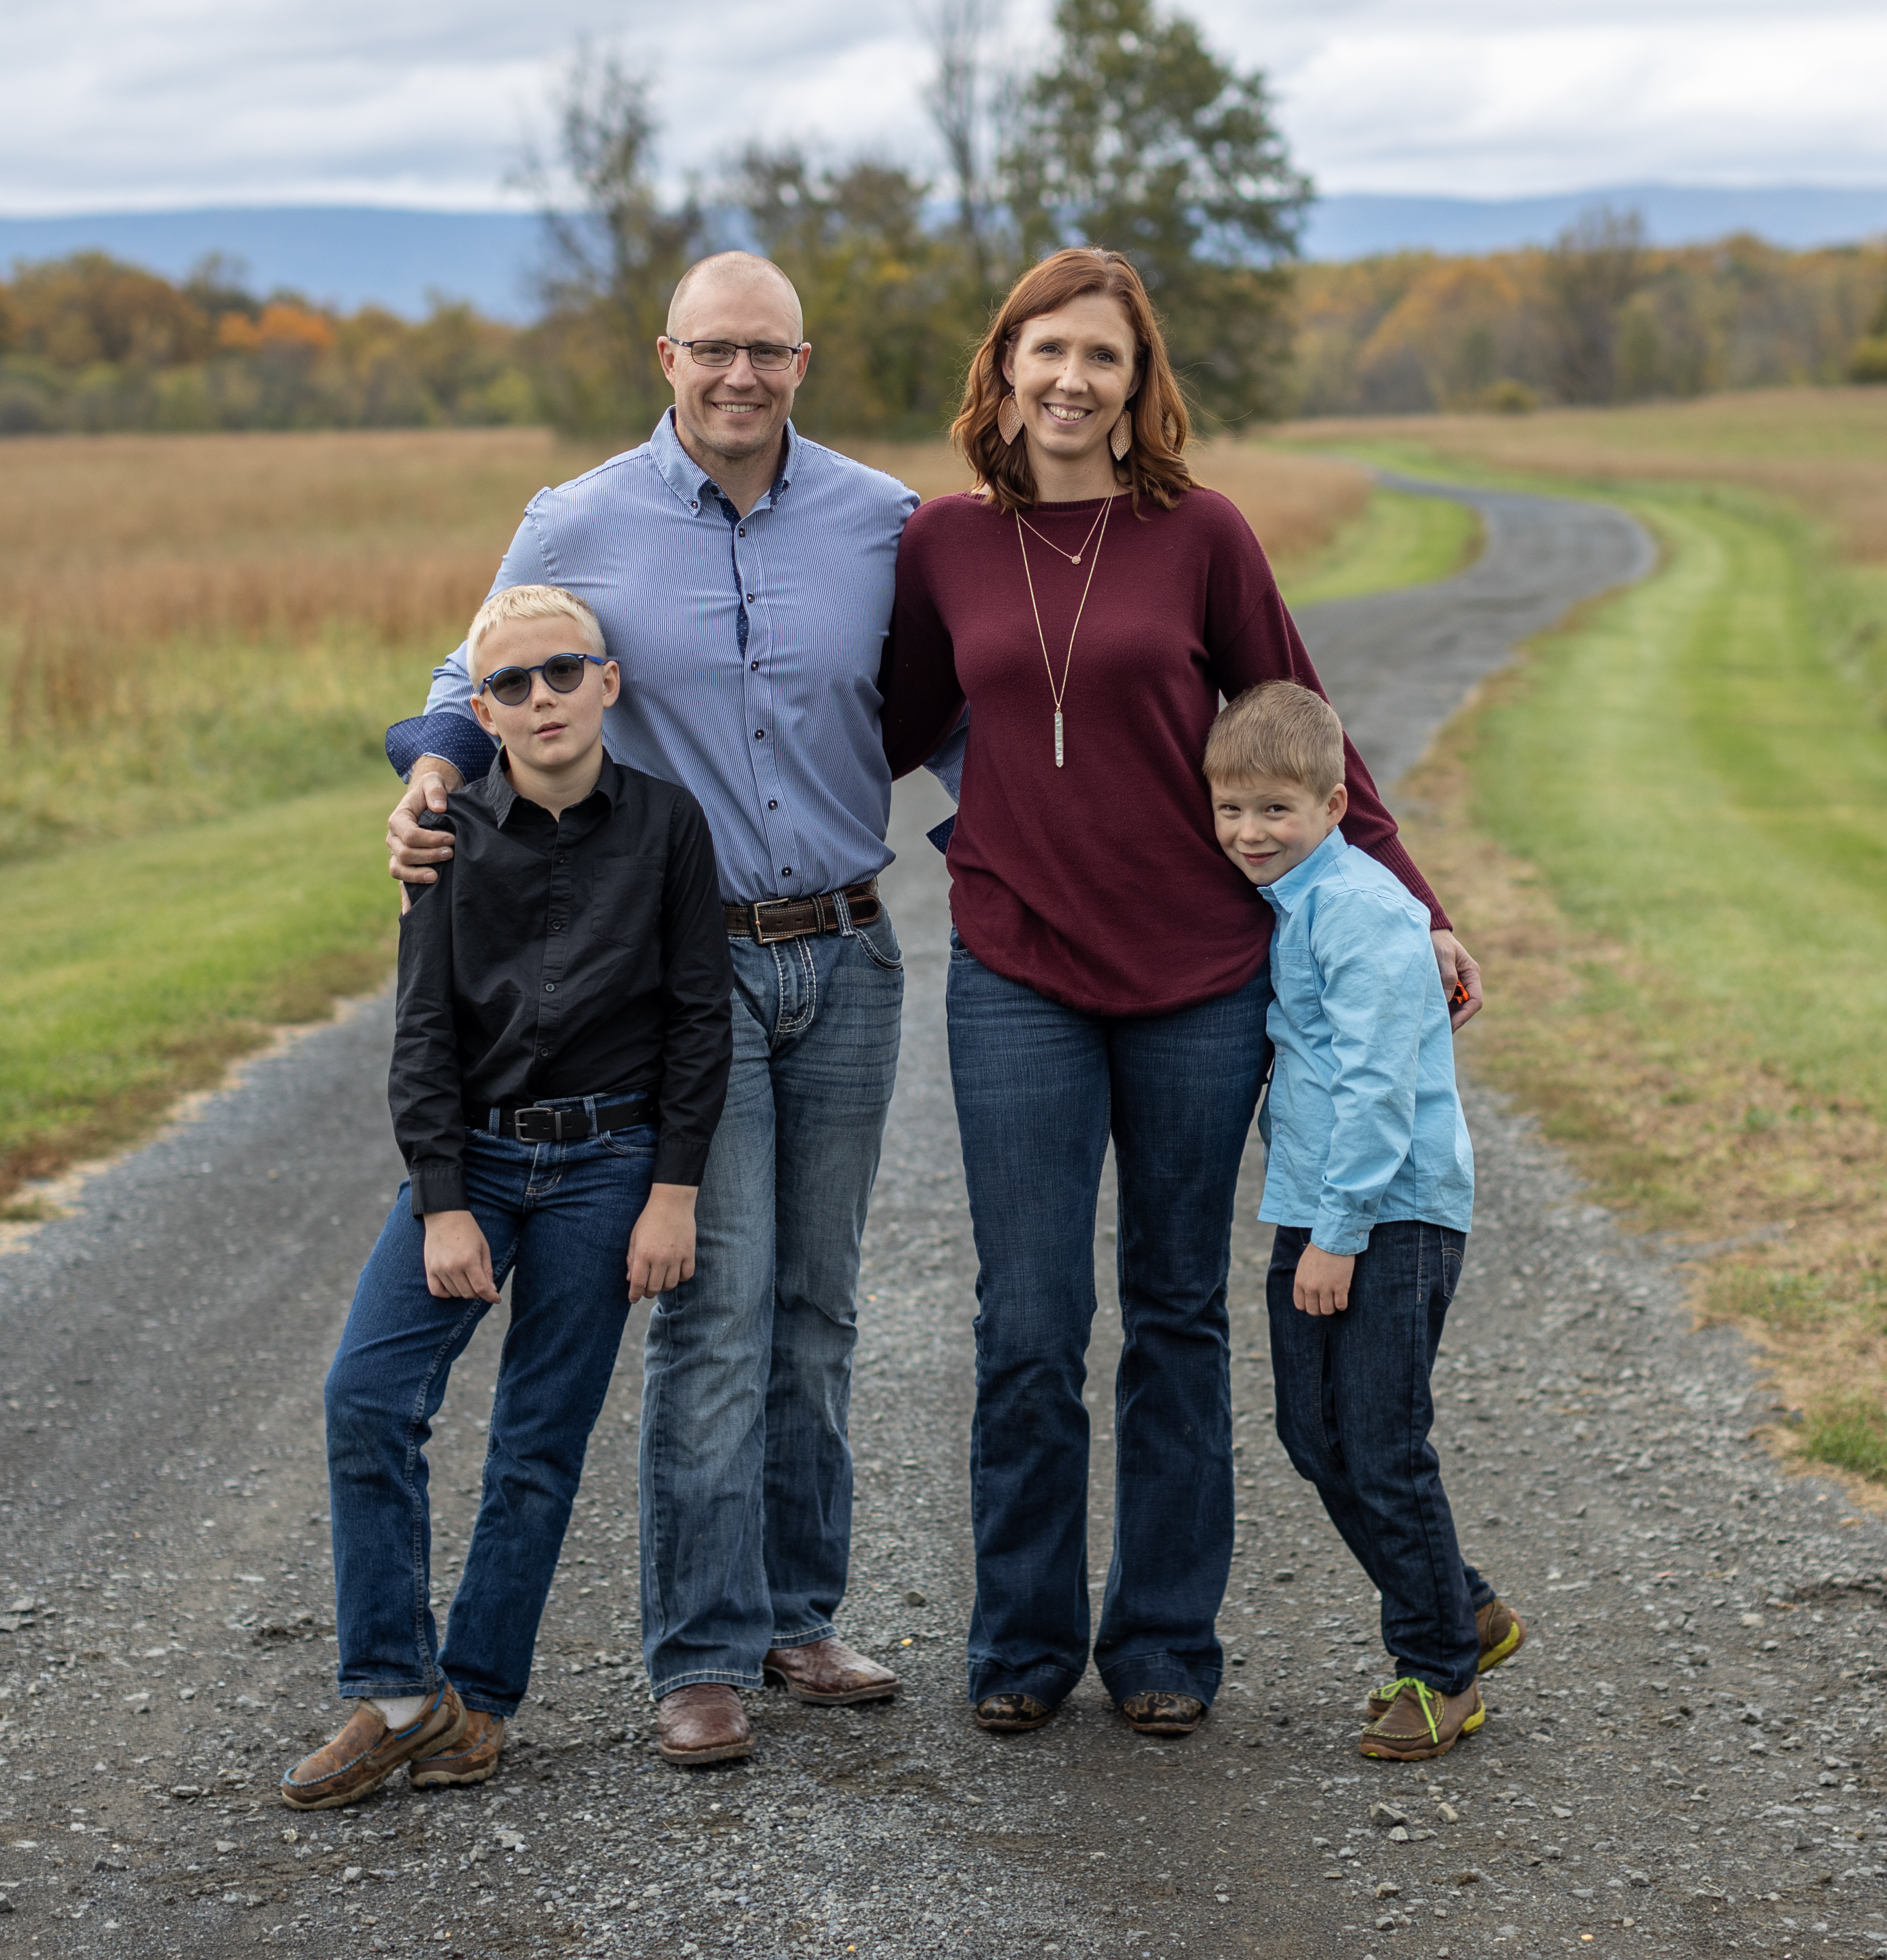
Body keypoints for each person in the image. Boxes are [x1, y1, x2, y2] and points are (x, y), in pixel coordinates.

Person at [878, 246, 1483, 1741]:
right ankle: (1020, 1639)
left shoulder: (1200, 534)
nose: (1074, 381)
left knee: (1173, 1313)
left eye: (1106, 358)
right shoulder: (943, 545)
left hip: (1201, 974)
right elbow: (869, 728)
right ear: (1002, 370)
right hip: (1018, 964)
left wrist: (1417, 906)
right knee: (1026, 1316)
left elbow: (1308, 729)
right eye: (1048, 352)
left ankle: (1161, 1641)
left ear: (1140, 388)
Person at [382, 252, 918, 1766]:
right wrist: (432, 770)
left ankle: (800, 1617)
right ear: (664, 356)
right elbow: (464, 668)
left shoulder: (879, 519)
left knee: (818, 1309)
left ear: (802, 362)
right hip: (691, 970)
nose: (739, 377)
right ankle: (699, 1655)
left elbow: (960, 695)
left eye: (768, 352)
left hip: (853, 949)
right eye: (712, 352)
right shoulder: (582, 518)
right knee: (715, 1303)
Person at [283, 584, 732, 1808]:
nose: (542, 698)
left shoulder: (671, 827)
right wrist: (440, 1201)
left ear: (608, 684)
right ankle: (392, 1692)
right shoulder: (446, 836)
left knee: (540, 1441)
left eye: (563, 673)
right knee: (368, 1397)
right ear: (477, 710)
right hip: (473, 1160)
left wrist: (671, 1193)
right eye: (513, 685)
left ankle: (477, 1704)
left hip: (608, 1166)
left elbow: (699, 1021)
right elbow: (422, 1032)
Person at [1204, 680, 1524, 1761]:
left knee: (1383, 1441)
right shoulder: (1287, 897)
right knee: (1313, 1432)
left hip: (1391, 1212)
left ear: (1336, 803)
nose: (1250, 832)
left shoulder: (1364, 910)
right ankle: (1465, 1602)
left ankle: (1441, 1672)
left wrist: (1340, 1232)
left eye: (1275, 810)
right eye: (1230, 809)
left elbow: (1381, 1085)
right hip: (1316, 1205)